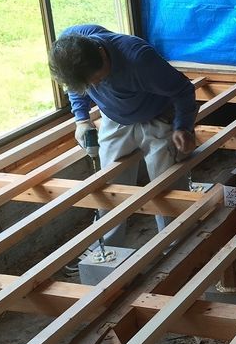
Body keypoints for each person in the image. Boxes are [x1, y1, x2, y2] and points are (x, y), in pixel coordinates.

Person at [49, 24, 198, 246]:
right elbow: (75, 86)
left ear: (102, 54)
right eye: (89, 84)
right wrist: (81, 120)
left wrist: (182, 126)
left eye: (97, 79)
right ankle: (108, 250)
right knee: (110, 186)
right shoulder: (69, 48)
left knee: (165, 183)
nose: (95, 85)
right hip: (115, 116)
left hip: (157, 114)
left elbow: (183, 90)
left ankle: (176, 243)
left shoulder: (139, 59)